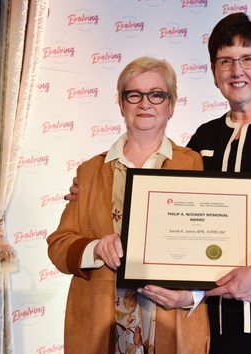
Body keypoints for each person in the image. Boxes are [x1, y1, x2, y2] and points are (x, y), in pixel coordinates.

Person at [67, 12, 251, 354]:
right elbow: (168, 196)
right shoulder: (205, 136)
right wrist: (89, 188)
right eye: (225, 61)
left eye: (247, 59)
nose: (237, 71)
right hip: (222, 308)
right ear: (213, 71)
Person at [47, 57, 210, 354]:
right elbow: (59, 246)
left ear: (171, 105)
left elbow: (212, 248)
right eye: (133, 94)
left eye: (157, 94)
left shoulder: (194, 164)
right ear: (121, 104)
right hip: (101, 325)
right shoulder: (89, 171)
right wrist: (95, 247)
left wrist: (192, 294)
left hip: (172, 322)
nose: (145, 103)